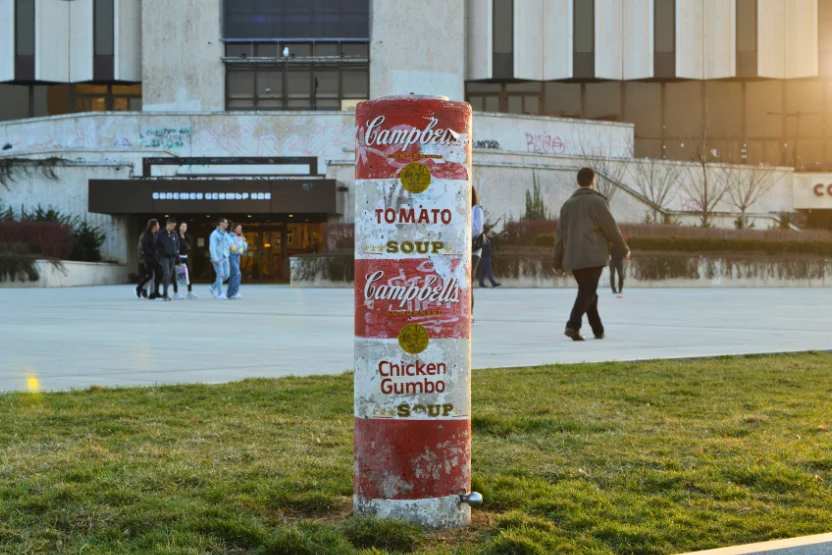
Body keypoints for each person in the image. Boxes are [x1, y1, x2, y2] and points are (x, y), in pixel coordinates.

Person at [553, 168, 630, 341]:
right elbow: (611, 229)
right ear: (594, 181)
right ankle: (572, 325)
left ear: (577, 182)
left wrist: (556, 261)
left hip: (573, 257)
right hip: (594, 256)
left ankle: (598, 329)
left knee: (588, 291)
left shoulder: (567, 205)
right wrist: (624, 249)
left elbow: (559, 236)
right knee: (587, 292)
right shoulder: (598, 202)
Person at [153, 217, 180, 301]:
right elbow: (156, 244)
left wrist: (177, 250)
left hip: (173, 257)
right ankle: (164, 294)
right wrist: (161, 252)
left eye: (174, 226)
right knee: (167, 274)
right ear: (167, 224)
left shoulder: (174, 233)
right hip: (164, 257)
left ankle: (166, 293)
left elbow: (177, 243)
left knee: (169, 276)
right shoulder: (160, 233)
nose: (173, 227)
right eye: (172, 226)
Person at [136, 218, 161, 299]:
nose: (159, 226)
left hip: (155, 258)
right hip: (149, 259)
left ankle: (154, 292)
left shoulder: (155, 234)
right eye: (157, 225)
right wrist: (143, 256)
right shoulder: (146, 235)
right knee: (151, 276)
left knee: (157, 275)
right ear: (153, 226)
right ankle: (140, 288)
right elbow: (143, 247)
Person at [172, 222, 197, 300]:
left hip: (185, 257)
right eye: (182, 226)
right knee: (177, 275)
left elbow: (189, 247)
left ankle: (189, 292)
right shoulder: (176, 236)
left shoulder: (187, 237)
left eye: (185, 226)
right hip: (178, 257)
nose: (184, 228)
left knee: (189, 273)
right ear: (179, 227)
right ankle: (175, 293)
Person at [471, 187, 484, 322]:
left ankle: (469, 313)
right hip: (459, 249)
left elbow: (477, 229)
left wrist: (462, 232)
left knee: (468, 279)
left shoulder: (476, 209)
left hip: (473, 250)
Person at [209, 217, 230, 300]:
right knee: (220, 275)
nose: (227, 224)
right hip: (218, 258)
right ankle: (220, 293)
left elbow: (227, 245)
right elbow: (212, 247)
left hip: (225, 257)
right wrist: (215, 258)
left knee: (227, 275)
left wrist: (227, 255)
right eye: (226, 222)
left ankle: (213, 287)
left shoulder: (225, 234)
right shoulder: (214, 234)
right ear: (221, 223)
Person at [227, 223, 248, 299]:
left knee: (233, 275)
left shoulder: (240, 237)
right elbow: (232, 248)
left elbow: (245, 248)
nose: (240, 230)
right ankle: (234, 292)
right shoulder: (230, 236)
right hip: (232, 256)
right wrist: (239, 243)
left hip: (238, 256)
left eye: (240, 228)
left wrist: (244, 242)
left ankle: (230, 293)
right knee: (237, 273)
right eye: (238, 228)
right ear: (234, 229)